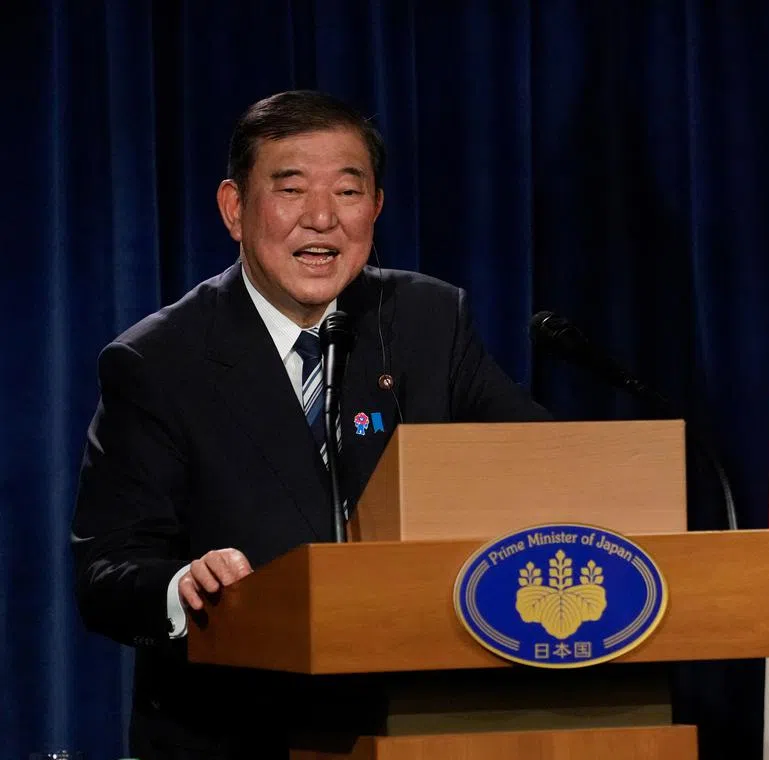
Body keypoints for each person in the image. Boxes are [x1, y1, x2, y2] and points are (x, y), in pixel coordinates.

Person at [70, 89, 550, 758]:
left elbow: (545, 466)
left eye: (348, 193)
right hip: (238, 730)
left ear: (376, 207)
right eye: (291, 190)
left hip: (418, 722)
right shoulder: (157, 361)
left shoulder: (426, 321)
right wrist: (185, 584)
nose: (321, 219)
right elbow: (106, 573)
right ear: (235, 208)